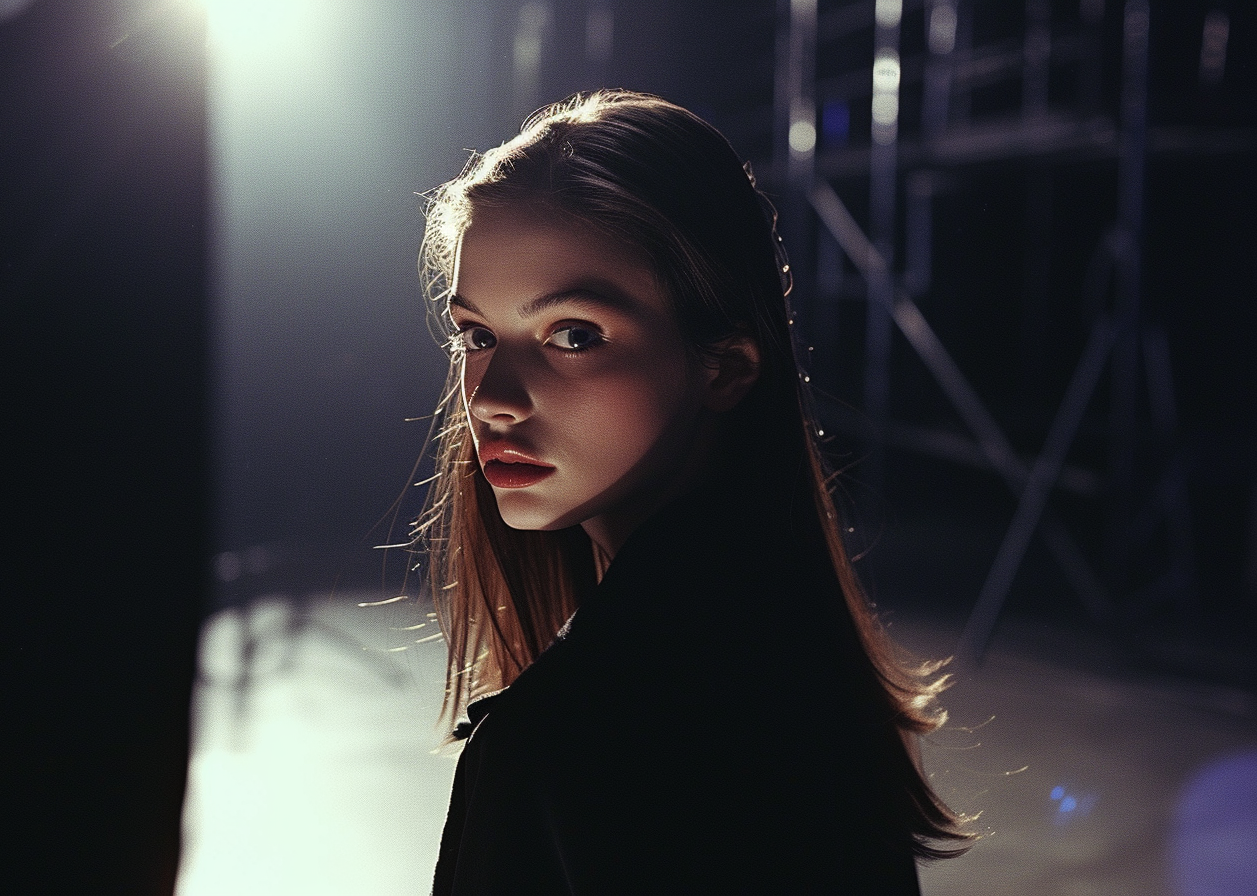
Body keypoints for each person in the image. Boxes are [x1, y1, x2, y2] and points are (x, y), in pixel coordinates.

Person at [413, 89, 970, 894]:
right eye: (478, 334)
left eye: (574, 334)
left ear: (726, 364)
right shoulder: (793, 660)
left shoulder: (580, 736)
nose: (493, 394)